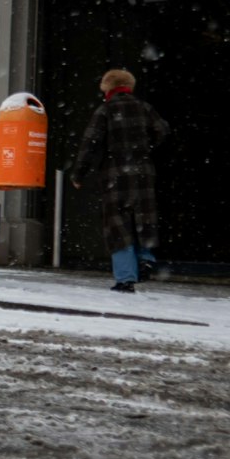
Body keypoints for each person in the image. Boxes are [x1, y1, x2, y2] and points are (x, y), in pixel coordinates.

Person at [70, 68, 170, 292]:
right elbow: (162, 130)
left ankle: (125, 279)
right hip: (143, 173)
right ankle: (146, 258)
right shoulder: (145, 108)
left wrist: (79, 174)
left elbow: (90, 144)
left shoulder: (105, 111)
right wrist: (145, 148)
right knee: (145, 219)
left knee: (118, 225)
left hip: (114, 175)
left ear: (107, 88)